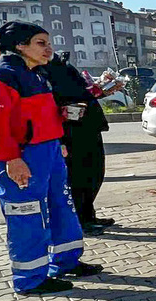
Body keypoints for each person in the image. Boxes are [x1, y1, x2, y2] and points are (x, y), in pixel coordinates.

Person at [0, 22, 102, 295]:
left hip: (49, 151)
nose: (49, 48)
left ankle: (66, 261)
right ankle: (30, 278)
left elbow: (38, 114)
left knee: (62, 206)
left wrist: (58, 136)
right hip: (22, 154)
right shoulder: (0, 76)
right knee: (27, 214)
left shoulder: (36, 73)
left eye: (48, 42)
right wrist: (12, 159)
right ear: (20, 45)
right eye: (41, 43)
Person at [41, 51, 113, 232]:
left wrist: (97, 90)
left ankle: (88, 215)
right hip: (73, 131)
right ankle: (81, 220)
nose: (48, 48)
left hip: (88, 126)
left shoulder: (61, 66)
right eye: (42, 43)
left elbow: (79, 90)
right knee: (80, 176)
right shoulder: (44, 72)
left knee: (94, 173)